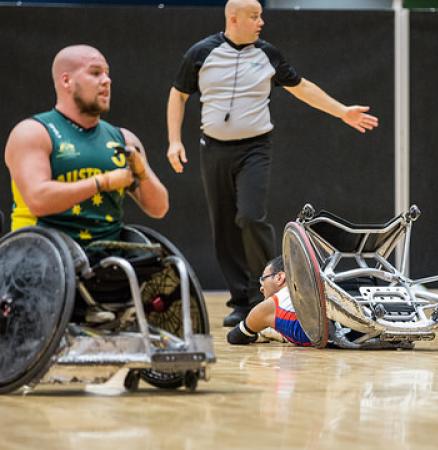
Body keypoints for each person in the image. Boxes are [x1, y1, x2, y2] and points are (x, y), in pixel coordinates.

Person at [166, 0, 379, 327]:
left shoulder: (268, 55)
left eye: (261, 15)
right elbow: (177, 95)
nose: (261, 22)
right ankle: (242, 302)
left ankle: (269, 289)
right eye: (254, 16)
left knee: (250, 217)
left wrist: (342, 111)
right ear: (233, 18)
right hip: (214, 149)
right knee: (224, 226)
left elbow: (302, 87)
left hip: (254, 148)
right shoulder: (200, 53)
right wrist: (174, 141)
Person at [4, 44, 168, 243]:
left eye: (107, 74)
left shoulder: (124, 139)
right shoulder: (33, 132)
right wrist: (101, 183)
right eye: (95, 73)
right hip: (44, 259)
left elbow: (159, 208)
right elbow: (38, 200)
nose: (106, 81)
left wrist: (142, 175)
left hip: (107, 261)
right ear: (67, 81)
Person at [226, 256, 312, 346]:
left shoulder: (269, 307)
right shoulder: (315, 287)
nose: (261, 288)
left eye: (263, 279)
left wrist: (258, 335)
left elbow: (234, 337)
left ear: (279, 277)